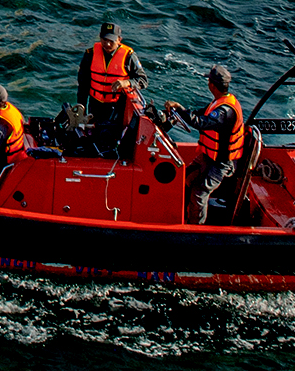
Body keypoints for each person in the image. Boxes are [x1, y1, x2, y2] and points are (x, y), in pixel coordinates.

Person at [166, 66, 247, 225]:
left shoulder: (225, 111)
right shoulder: (220, 102)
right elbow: (200, 114)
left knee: (199, 192)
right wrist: (180, 109)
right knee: (186, 177)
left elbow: (202, 123)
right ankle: (180, 215)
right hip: (208, 157)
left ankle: (196, 227)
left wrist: (182, 113)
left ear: (212, 85)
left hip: (221, 163)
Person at [76, 21, 150, 159]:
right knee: (94, 135)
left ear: (119, 40)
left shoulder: (129, 56)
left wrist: (127, 82)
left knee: (110, 138)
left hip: (116, 106)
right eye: (104, 40)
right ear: (100, 37)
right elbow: (83, 83)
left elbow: (143, 81)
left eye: (111, 41)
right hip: (95, 104)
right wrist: (81, 108)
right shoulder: (90, 54)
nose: (107, 44)